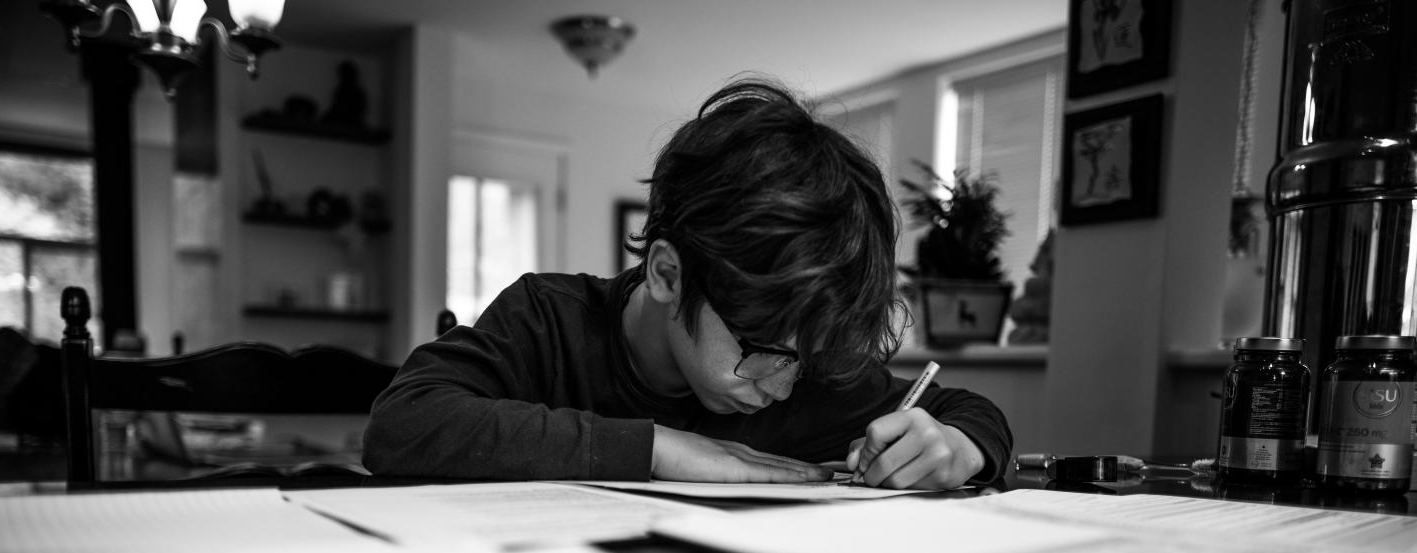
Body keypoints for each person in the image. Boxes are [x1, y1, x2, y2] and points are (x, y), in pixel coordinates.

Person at [363, 77, 1011, 488]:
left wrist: (958, 447)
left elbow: (969, 412)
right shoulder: (549, 321)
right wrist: (656, 449)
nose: (780, 387)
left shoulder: (802, 365)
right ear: (668, 273)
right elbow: (403, 423)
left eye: (804, 357)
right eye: (762, 352)